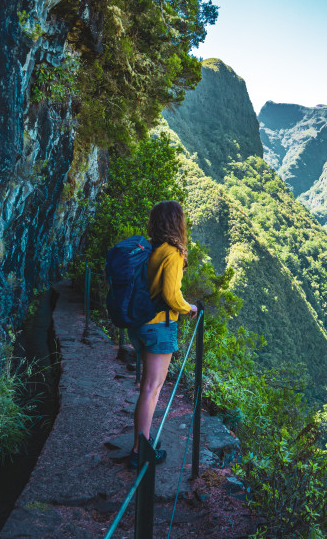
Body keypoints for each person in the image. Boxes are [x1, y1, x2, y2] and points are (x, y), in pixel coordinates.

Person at [129, 200, 198, 468]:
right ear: (177, 223)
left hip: (140, 324)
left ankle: (141, 443)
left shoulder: (149, 248)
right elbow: (171, 295)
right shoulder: (172, 253)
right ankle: (140, 451)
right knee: (151, 389)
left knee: (147, 387)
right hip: (159, 326)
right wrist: (188, 307)